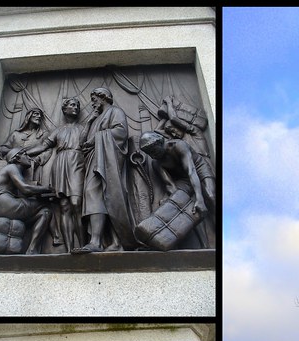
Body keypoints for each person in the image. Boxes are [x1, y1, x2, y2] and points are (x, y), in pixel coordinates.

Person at [75, 87, 134, 253]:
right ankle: (107, 241)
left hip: (108, 160)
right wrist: (89, 121)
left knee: (104, 195)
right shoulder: (96, 118)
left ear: (104, 97)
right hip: (94, 159)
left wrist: (96, 139)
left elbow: (121, 132)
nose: (92, 102)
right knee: (95, 195)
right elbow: (82, 142)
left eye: (95, 99)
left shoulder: (115, 112)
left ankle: (100, 241)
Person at [24, 97, 86, 252]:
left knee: (76, 203)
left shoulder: (84, 128)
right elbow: (43, 146)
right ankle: (70, 249)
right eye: (72, 105)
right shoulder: (58, 131)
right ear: (64, 110)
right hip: (61, 164)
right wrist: (21, 152)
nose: (75, 108)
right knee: (64, 206)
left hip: (77, 161)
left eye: (77, 105)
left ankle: (84, 246)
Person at [134, 131, 209, 250]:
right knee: (170, 204)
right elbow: (170, 185)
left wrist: (199, 198)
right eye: (150, 154)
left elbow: (191, 171)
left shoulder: (178, 146)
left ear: (159, 142)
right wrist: (176, 201)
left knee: (211, 195)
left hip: (198, 170)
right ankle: (163, 240)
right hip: (183, 180)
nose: (153, 156)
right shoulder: (157, 164)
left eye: (153, 151)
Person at [0, 149, 54, 254]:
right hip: (6, 204)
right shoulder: (12, 167)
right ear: (17, 158)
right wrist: (49, 189)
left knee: (44, 213)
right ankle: (50, 240)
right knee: (43, 205)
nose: (29, 158)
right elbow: (26, 189)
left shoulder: (8, 171)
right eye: (26, 155)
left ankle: (32, 249)